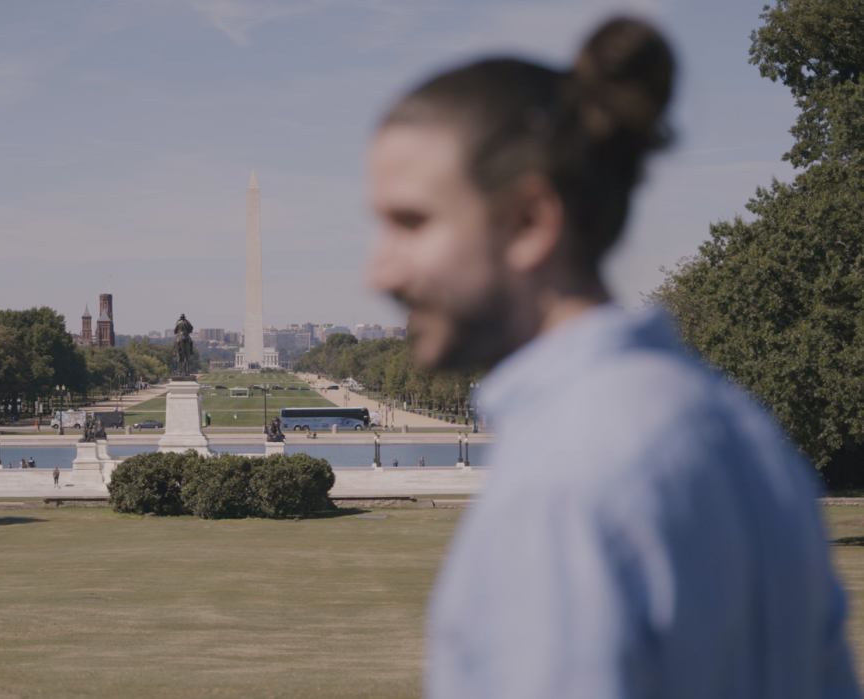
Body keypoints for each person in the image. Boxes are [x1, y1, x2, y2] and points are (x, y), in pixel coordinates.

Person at [368, 17, 858, 698]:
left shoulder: (561, 484)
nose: (379, 271)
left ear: (529, 221)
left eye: (411, 223)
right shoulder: (751, 437)